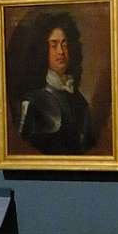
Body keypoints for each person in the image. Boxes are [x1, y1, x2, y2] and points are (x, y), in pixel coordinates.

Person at [18, 13, 94, 154]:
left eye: (64, 45)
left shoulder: (80, 102)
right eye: (54, 45)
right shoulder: (32, 102)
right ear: (42, 50)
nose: (61, 52)